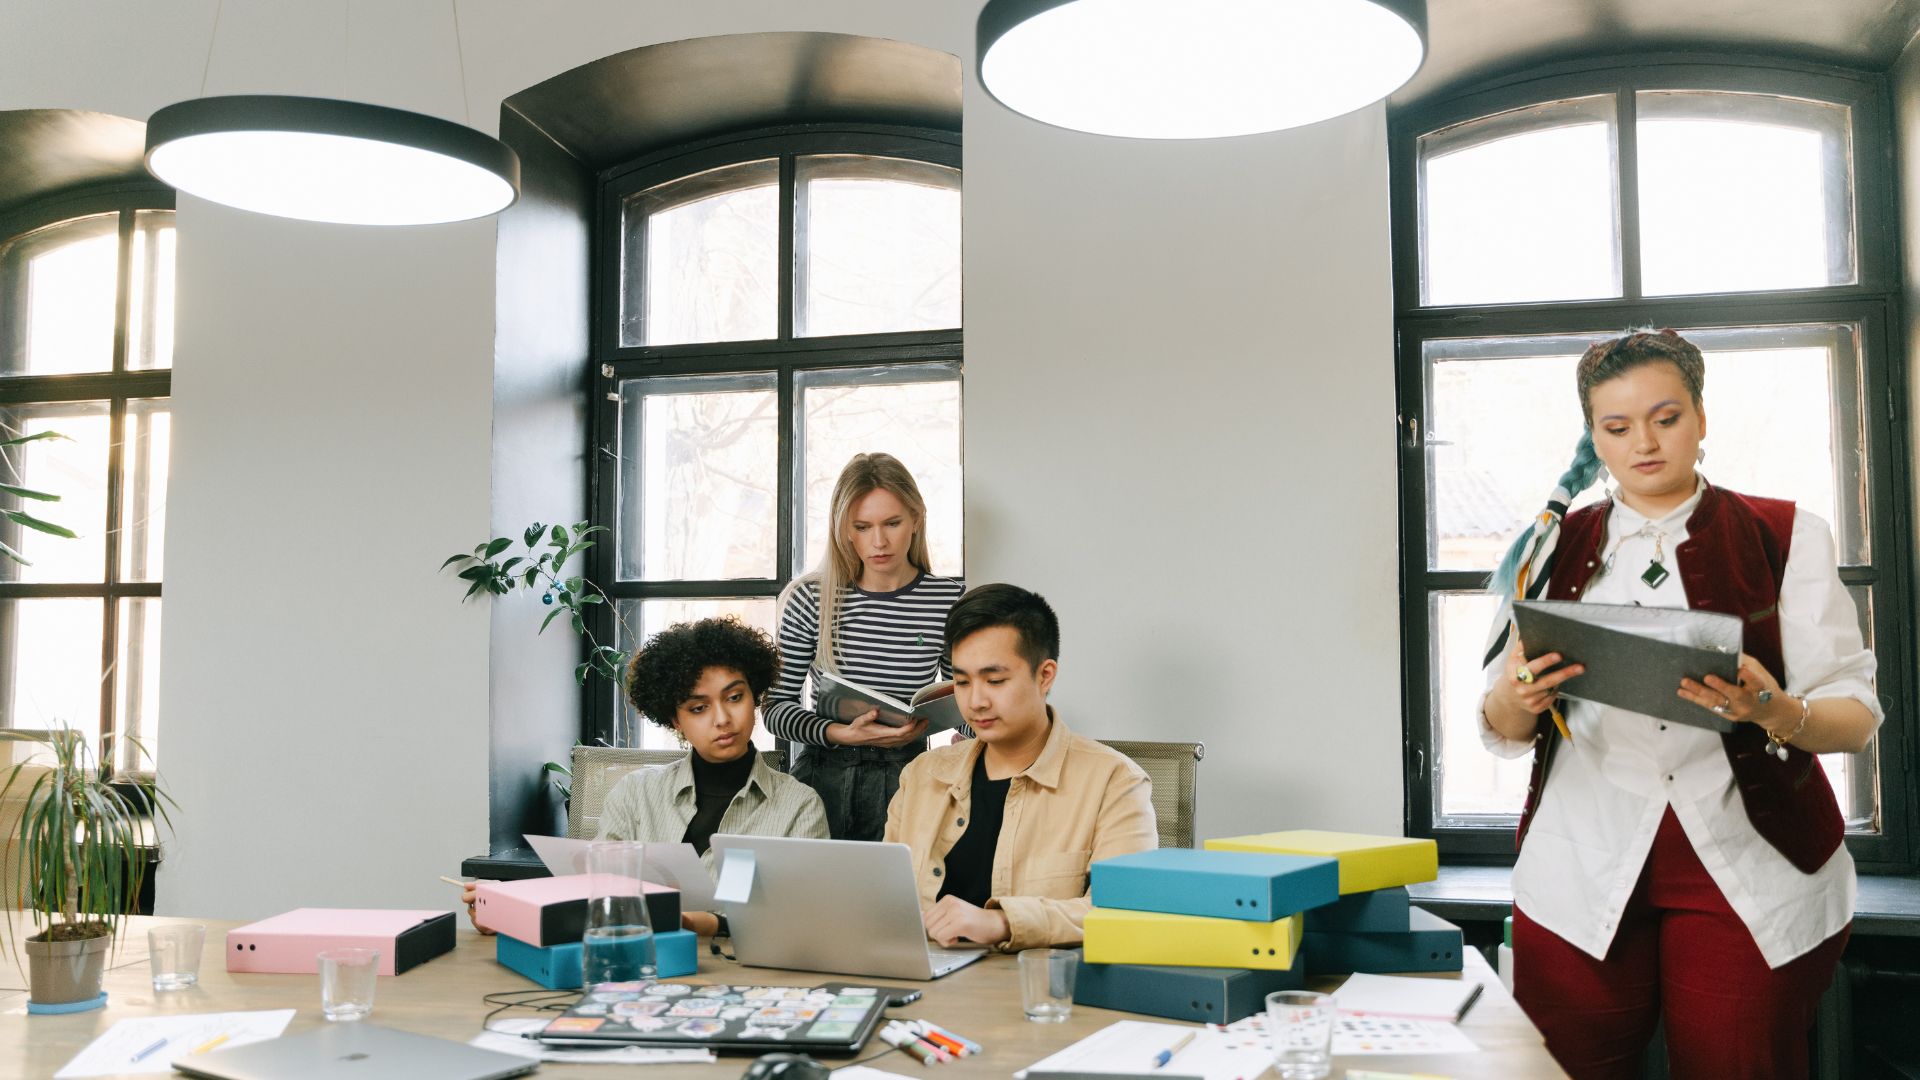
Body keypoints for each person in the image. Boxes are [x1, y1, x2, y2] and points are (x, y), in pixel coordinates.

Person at [1477, 329, 1879, 1080]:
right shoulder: (1550, 545)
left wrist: (1772, 710)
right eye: (1616, 427)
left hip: (1754, 857)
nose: (1644, 443)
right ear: (1594, 435)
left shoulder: (1787, 534)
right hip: (1579, 858)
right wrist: (1516, 694)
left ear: (1700, 416)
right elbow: (1504, 728)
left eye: (1666, 418)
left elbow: (1854, 718)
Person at [466, 617, 827, 936]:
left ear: (755, 697)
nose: (722, 719)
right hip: (636, 965)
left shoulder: (799, 805)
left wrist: (704, 924)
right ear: (675, 720)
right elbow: (595, 894)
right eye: (698, 708)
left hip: (746, 974)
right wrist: (505, 913)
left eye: (734, 697)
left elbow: (804, 919)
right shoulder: (635, 793)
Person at [883, 583, 1157, 951]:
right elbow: (883, 898)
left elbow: (1125, 910)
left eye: (995, 681)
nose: (976, 701)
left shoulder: (1115, 782)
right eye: (962, 682)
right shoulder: (922, 776)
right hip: (918, 977)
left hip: (1035, 983)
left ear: (1045, 675)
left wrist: (1002, 922)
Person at [764, 452, 965, 841]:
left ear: (916, 519)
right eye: (862, 526)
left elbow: (965, 703)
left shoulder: (949, 600)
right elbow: (775, 710)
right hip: (822, 778)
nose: (879, 541)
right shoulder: (810, 598)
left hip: (908, 777)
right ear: (845, 530)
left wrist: (986, 732)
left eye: (892, 523)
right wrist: (840, 733)